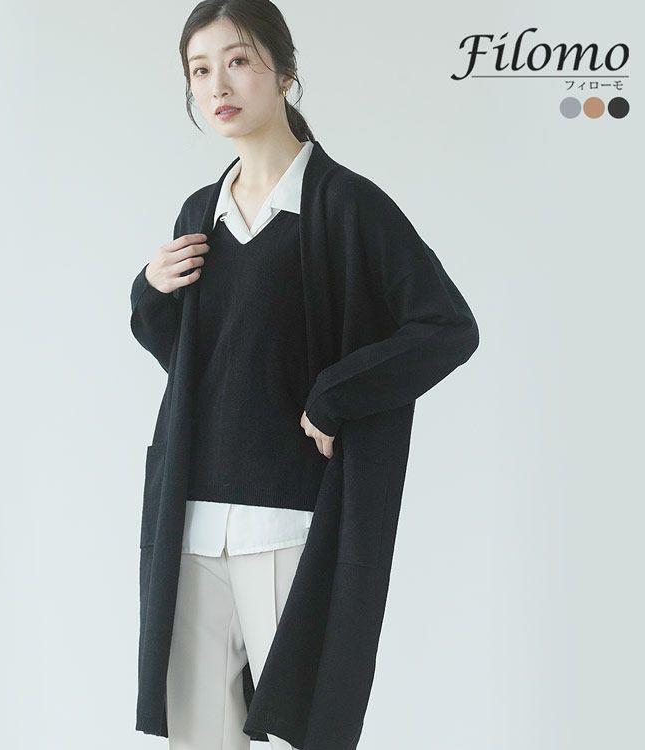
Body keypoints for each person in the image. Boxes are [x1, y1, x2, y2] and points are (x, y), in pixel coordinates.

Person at [130, 2, 480, 749]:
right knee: (198, 740)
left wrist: (336, 396)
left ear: (285, 73)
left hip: (290, 526)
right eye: (199, 70)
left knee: (307, 735)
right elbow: (201, 364)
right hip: (190, 527)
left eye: (238, 60)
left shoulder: (345, 205)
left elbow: (447, 327)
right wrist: (150, 290)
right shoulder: (200, 212)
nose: (218, 85)